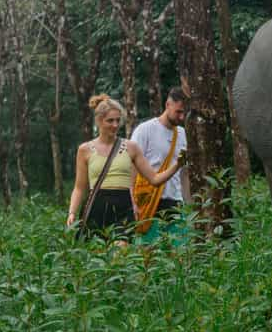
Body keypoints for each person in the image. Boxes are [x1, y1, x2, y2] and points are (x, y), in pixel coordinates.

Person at [66, 94, 185, 243]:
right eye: (110, 120)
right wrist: (72, 212)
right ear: (99, 121)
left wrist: (177, 165)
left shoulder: (131, 147)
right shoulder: (85, 150)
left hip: (122, 207)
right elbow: (79, 187)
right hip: (96, 206)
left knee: (120, 256)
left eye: (117, 120)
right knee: (97, 258)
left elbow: (154, 179)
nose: (115, 125)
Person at [130, 87, 190, 240]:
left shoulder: (183, 134)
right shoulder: (145, 130)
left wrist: (189, 206)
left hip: (175, 202)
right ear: (167, 105)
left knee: (178, 254)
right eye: (178, 112)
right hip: (149, 202)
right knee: (150, 254)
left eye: (184, 113)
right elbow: (131, 167)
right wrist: (131, 202)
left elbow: (184, 173)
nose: (181, 117)